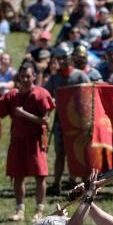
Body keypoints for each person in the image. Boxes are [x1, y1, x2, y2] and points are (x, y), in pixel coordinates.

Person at [0, 61, 55, 222]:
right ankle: (19, 209)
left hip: (35, 140)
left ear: (34, 76)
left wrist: (23, 114)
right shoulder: (12, 95)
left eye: (28, 76)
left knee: (40, 176)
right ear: (18, 78)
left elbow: (45, 121)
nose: (25, 79)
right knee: (17, 176)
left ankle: (39, 210)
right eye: (22, 76)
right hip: (17, 140)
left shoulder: (41, 94)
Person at [45, 44, 91, 195]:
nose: (62, 61)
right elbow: (47, 95)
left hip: (78, 123)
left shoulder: (80, 76)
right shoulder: (55, 78)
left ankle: (86, 184)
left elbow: (89, 95)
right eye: (59, 58)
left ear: (70, 57)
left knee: (80, 153)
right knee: (60, 153)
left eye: (64, 57)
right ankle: (56, 184)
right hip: (61, 121)